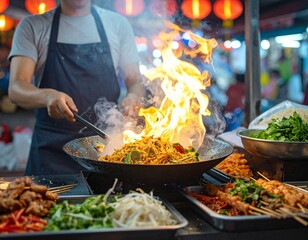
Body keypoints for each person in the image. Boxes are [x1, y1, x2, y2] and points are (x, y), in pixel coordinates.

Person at [8, 0, 145, 176]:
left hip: (107, 153)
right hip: (51, 154)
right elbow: (16, 88)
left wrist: (133, 97)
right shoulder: (33, 26)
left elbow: (135, 83)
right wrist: (47, 96)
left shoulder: (117, 25)